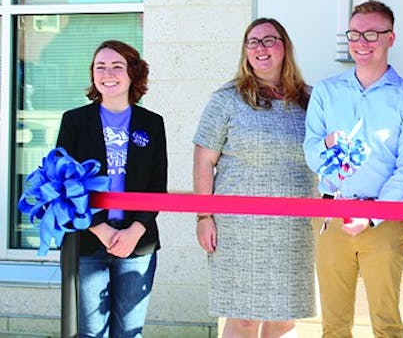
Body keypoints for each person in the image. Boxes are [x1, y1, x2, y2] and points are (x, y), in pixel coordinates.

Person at [304, 0, 403, 338]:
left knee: (386, 323)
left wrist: (372, 215)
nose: (362, 42)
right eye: (355, 34)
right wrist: (327, 146)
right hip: (331, 215)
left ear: (391, 38)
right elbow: (310, 150)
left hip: (382, 219)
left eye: (372, 34)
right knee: (334, 324)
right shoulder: (327, 92)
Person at [193, 18, 316, 338]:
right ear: (245, 51)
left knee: (284, 316)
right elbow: (204, 160)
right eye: (253, 42)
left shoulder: (311, 100)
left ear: (284, 47)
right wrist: (203, 216)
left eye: (269, 40)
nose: (261, 48)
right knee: (243, 318)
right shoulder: (226, 99)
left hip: (293, 227)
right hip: (238, 228)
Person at [56, 40, 168, 338]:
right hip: (88, 242)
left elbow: (157, 188)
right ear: (93, 74)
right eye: (100, 66)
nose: (108, 73)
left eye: (117, 66)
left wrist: (134, 232)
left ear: (133, 73)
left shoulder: (152, 123)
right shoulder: (75, 121)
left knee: (129, 333)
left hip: (137, 243)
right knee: (92, 333)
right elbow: (64, 183)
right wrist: (100, 228)